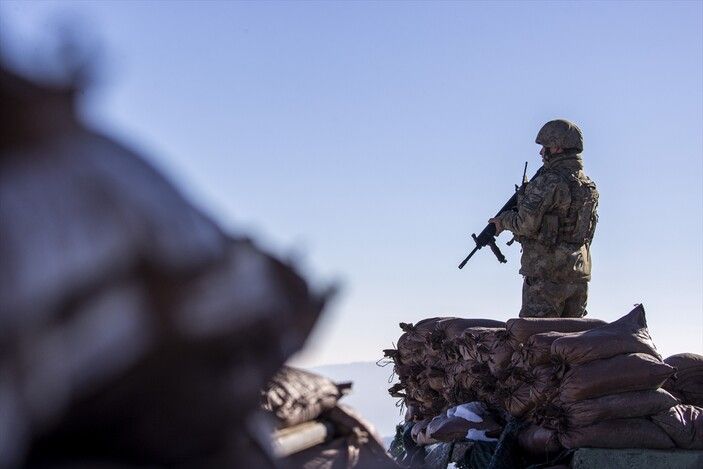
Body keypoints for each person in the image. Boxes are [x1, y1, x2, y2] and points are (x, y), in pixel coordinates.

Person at [489, 119, 599, 318]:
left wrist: (503, 221)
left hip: (547, 277)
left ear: (556, 147)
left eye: (545, 147)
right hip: (578, 276)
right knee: (571, 345)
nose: (541, 153)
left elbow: (526, 224)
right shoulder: (587, 186)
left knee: (537, 342)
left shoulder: (549, 180)